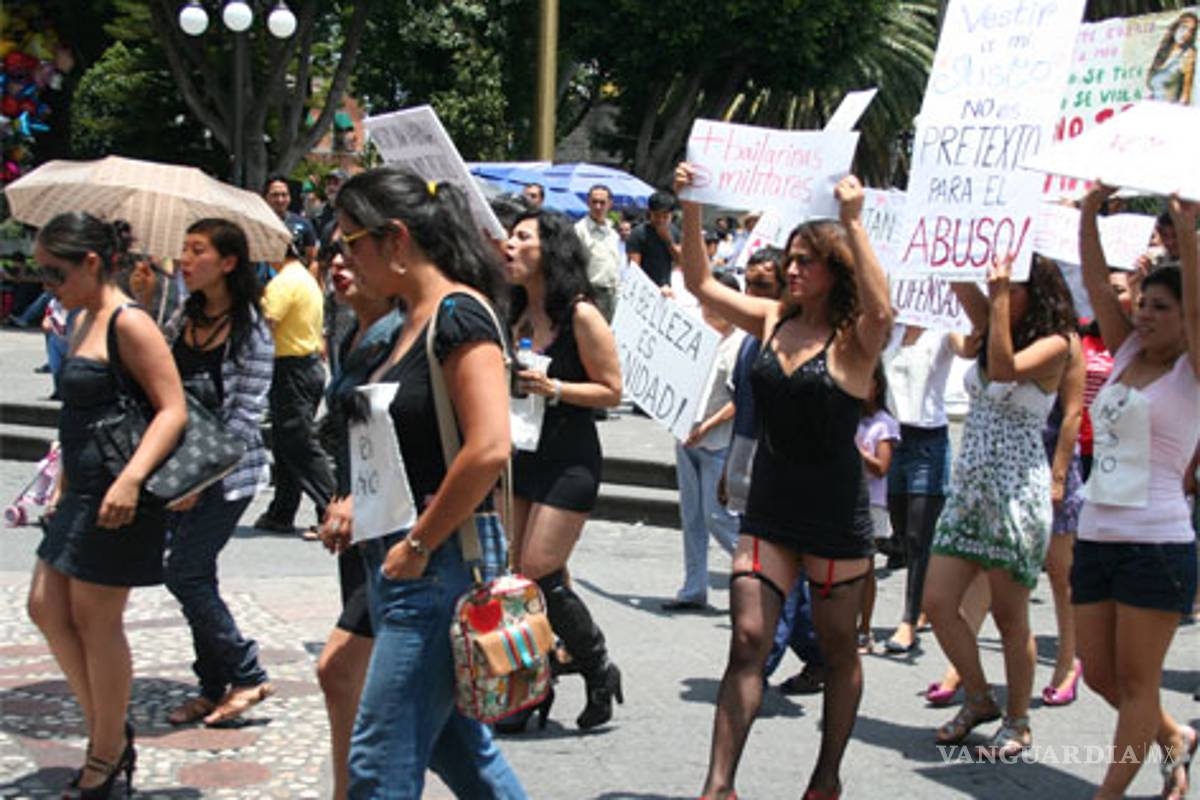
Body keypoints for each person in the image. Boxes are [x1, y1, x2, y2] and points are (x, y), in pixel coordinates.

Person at [676, 163, 893, 800]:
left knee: (837, 651)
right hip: (769, 509)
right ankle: (718, 787)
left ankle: (826, 777)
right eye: (790, 258)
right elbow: (699, 282)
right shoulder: (771, 319)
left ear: (835, 269)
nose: (791, 269)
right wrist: (693, 203)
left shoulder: (854, 341)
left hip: (834, 519)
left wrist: (854, 222)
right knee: (747, 639)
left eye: (806, 261)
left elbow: (883, 310)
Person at [333, 166, 526, 798]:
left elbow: (489, 446)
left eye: (350, 241)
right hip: (402, 562)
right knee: (461, 752)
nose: (343, 257)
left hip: (438, 566)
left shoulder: (458, 315)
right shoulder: (401, 322)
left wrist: (417, 544)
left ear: (394, 238)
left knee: (379, 763)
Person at [26, 213, 187, 797]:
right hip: (82, 489)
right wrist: (62, 483)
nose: (48, 285)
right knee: (45, 606)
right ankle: (110, 733)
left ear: (92, 262)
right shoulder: (79, 318)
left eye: (55, 272)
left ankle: (105, 752)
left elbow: (172, 408)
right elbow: (78, 417)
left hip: (120, 491)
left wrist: (132, 481)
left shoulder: (129, 321)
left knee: (96, 620)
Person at [923, 253, 1076, 756]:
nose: (998, 292)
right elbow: (954, 276)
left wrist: (1001, 295)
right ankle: (979, 696)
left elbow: (1006, 367)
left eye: (1013, 287)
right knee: (937, 603)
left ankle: (1018, 720)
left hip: (1015, 497)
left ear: (1037, 292)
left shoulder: (1057, 343)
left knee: (1011, 620)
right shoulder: (992, 323)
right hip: (970, 492)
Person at [1074, 186, 1199, 800]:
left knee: (1136, 681)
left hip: (1157, 544)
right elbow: (1097, 284)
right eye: (1142, 303)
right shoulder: (1125, 349)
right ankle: (1174, 734)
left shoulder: (1191, 369)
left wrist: (1184, 227)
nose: (1144, 314)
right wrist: (1088, 214)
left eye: (1160, 307)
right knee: (1100, 675)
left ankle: (1110, 793)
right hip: (1096, 535)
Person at [501, 209, 624, 731]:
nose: (509, 245)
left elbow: (612, 389)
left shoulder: (581, 315)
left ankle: (597, 667)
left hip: (569, 458)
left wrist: (556, 389)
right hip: (521, 454)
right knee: (515, 578)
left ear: (549, 250)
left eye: (521, 237)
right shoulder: (511, 314)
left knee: (539, 570)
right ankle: (534, 683)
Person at [162, 218, 277, 727]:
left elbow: (245, 419)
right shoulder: (180, 316)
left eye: (198, 250)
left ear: (228, 263)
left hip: (227, 475)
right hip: (176, 468)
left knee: (183, 572)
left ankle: (247, 673)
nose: (185, 260)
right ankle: (212, 687)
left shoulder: (252, 331)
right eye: (184, 249)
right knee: (194, 575)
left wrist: (199, 481)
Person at [315, 236, 403, 800]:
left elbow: (398, 433)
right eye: (333, 253)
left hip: (394, 527)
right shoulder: (352, 331)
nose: (338, 264)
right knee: (358, 677)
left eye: (352, 251)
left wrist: (358, 500)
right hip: (361, 524)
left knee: (339, 669)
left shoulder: (398, 334)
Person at [880, 323, 974, 655]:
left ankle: (909, 620)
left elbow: (968, 348)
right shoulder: (893, 329)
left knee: (919, 536)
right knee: (901, 532)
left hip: (927, 441)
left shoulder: (942, 330)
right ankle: (923, 601)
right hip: (892, 437)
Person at [665, 271, 744, 612]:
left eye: (716, 302)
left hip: (719, 442)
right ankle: (693, 587)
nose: (709, 309)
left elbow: (741, 400)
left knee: (717, 516)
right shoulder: (696, 336)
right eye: (705, 302)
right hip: (686, 436)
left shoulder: (741, 343)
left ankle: (759, 569)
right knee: (692, 516)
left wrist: (707, 426)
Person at [254, 244, 336, 539]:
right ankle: (281, 511)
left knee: (298, 442)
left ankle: (331, 509)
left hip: (292, 369)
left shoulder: (283, 283)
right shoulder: (302, 277)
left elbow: (266, 324)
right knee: (286, 441)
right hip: (304, 367)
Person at [1040, 332, 1085, 707]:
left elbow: (1072, 412)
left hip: (1056, 455)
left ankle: (1068, 660)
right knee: (986, 569)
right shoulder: (1002, 332)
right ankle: (960, 668)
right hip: (1007, 461)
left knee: (1059, 571)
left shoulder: (1066, 341)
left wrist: (1058, 476)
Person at [854, 363, 900, 655]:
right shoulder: (848, 416)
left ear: (877, 386)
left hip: (871, 501)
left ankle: (865, 628)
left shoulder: (884, 424)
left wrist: (856, 451)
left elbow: (881, 467)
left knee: (865, 567)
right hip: (844, 496)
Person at [574, 184, 622, 322]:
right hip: (591, 294)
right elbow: (573, 265)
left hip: (613, 295)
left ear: (610, 204)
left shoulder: (612, 233)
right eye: (594, 202)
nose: (598, 206)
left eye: (602, 202)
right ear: (588, 203)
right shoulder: (579, 230)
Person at [627, 190, 681, 289]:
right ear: (649, 213)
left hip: (666, 288)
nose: (661, 220)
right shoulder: (638, 233)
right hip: (643, 289)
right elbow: (634, 269)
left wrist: (668, 240)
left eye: (665, 217)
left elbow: (680, 261)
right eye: (656, 216)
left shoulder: (675, 232)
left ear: (672, 215)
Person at [264, 175, 319, 268]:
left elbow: (311, 260)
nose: (280, 200)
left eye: (284, 195)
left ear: (289, 197)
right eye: (275, 195)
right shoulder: (257, 223)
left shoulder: (304, 224)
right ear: (266, 197)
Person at [1146, 11, 1196, 104]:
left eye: (1191, 31)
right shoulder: (1163, 51)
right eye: (1184, 27)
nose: (1186, 33)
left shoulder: (1187, 54)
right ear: (1176, 28)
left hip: (1170, 108)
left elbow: (1186, 93)